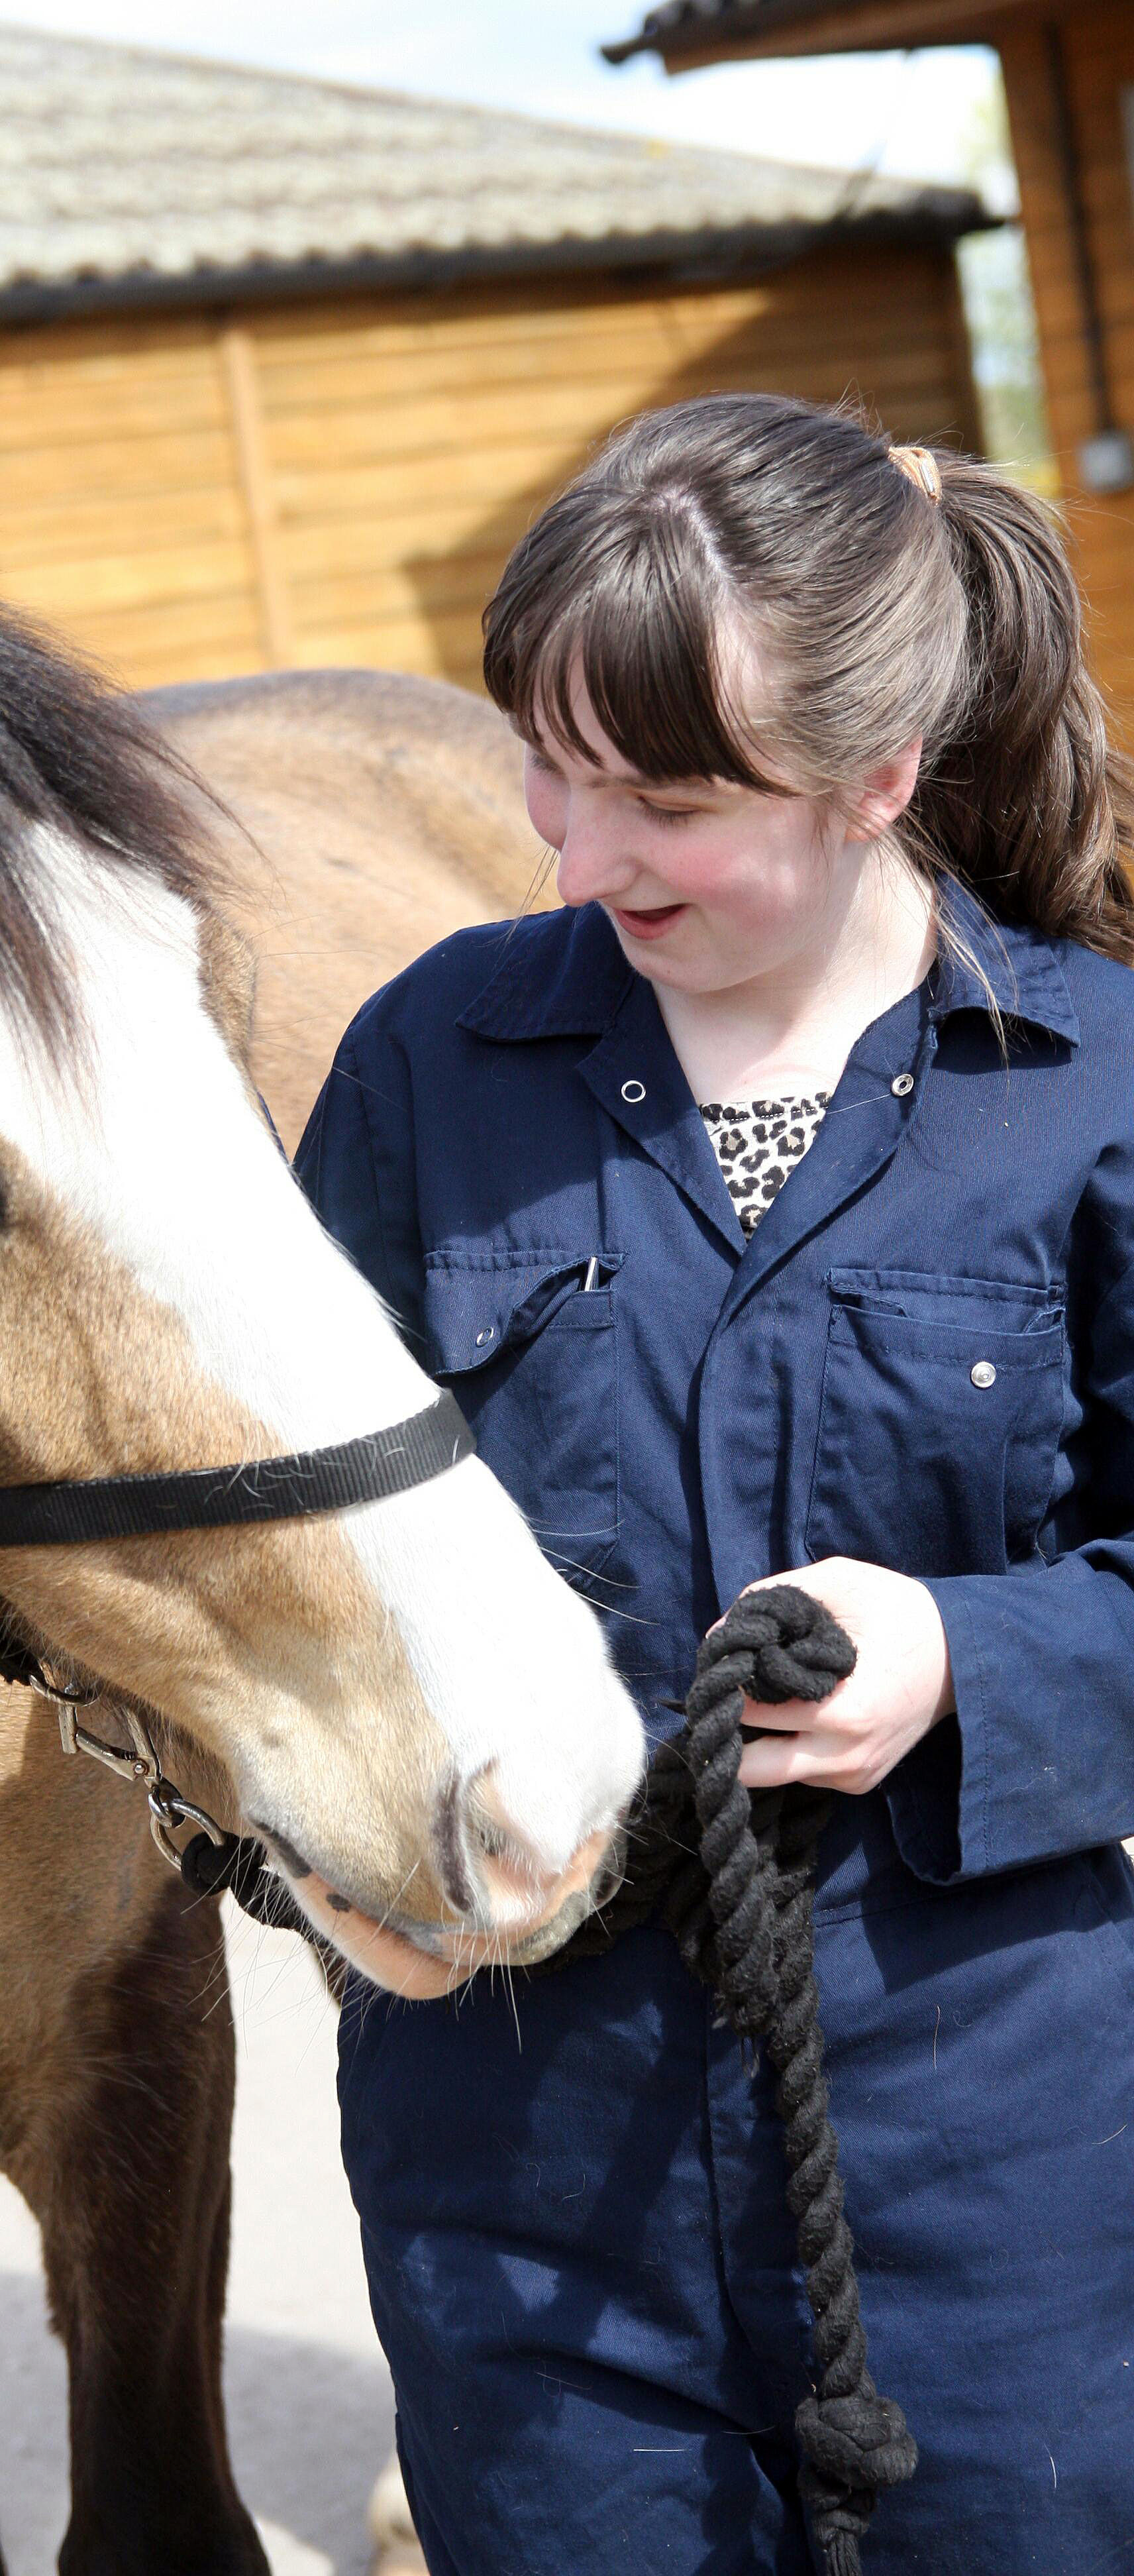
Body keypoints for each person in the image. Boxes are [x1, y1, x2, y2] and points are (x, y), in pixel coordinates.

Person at [293, 393, 1134, 2575]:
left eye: (665, 800)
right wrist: (310, 1834)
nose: (581, 859)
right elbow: (273, 1544)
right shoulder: (428, 1061)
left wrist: (968, 1651)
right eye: (549, 773)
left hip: (1000, 2165)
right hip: (523, 2161)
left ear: (880, 778)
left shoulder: (1099, 1087)